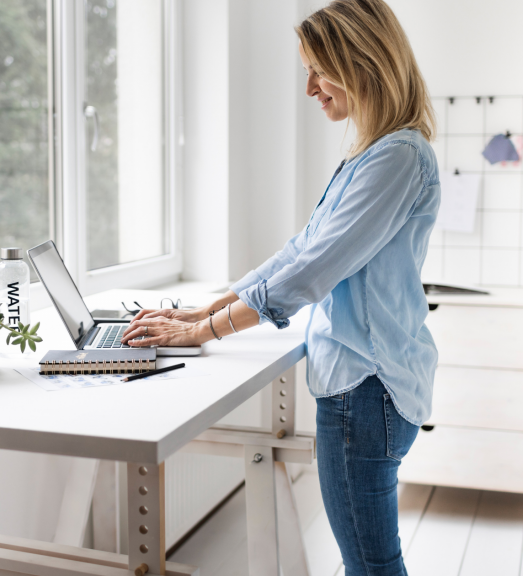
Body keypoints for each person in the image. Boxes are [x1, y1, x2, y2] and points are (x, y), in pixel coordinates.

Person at [122, 0, 438, 573]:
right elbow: (298, 251)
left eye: (319, 70)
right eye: (306, 73)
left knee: (370, 567)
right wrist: (205, 311)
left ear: (360, 61)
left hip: (367, 388)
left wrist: (206, 331)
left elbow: (314, 270)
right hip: (368, 386)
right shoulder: (371, 155)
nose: (312, 88)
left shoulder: (397, 157)